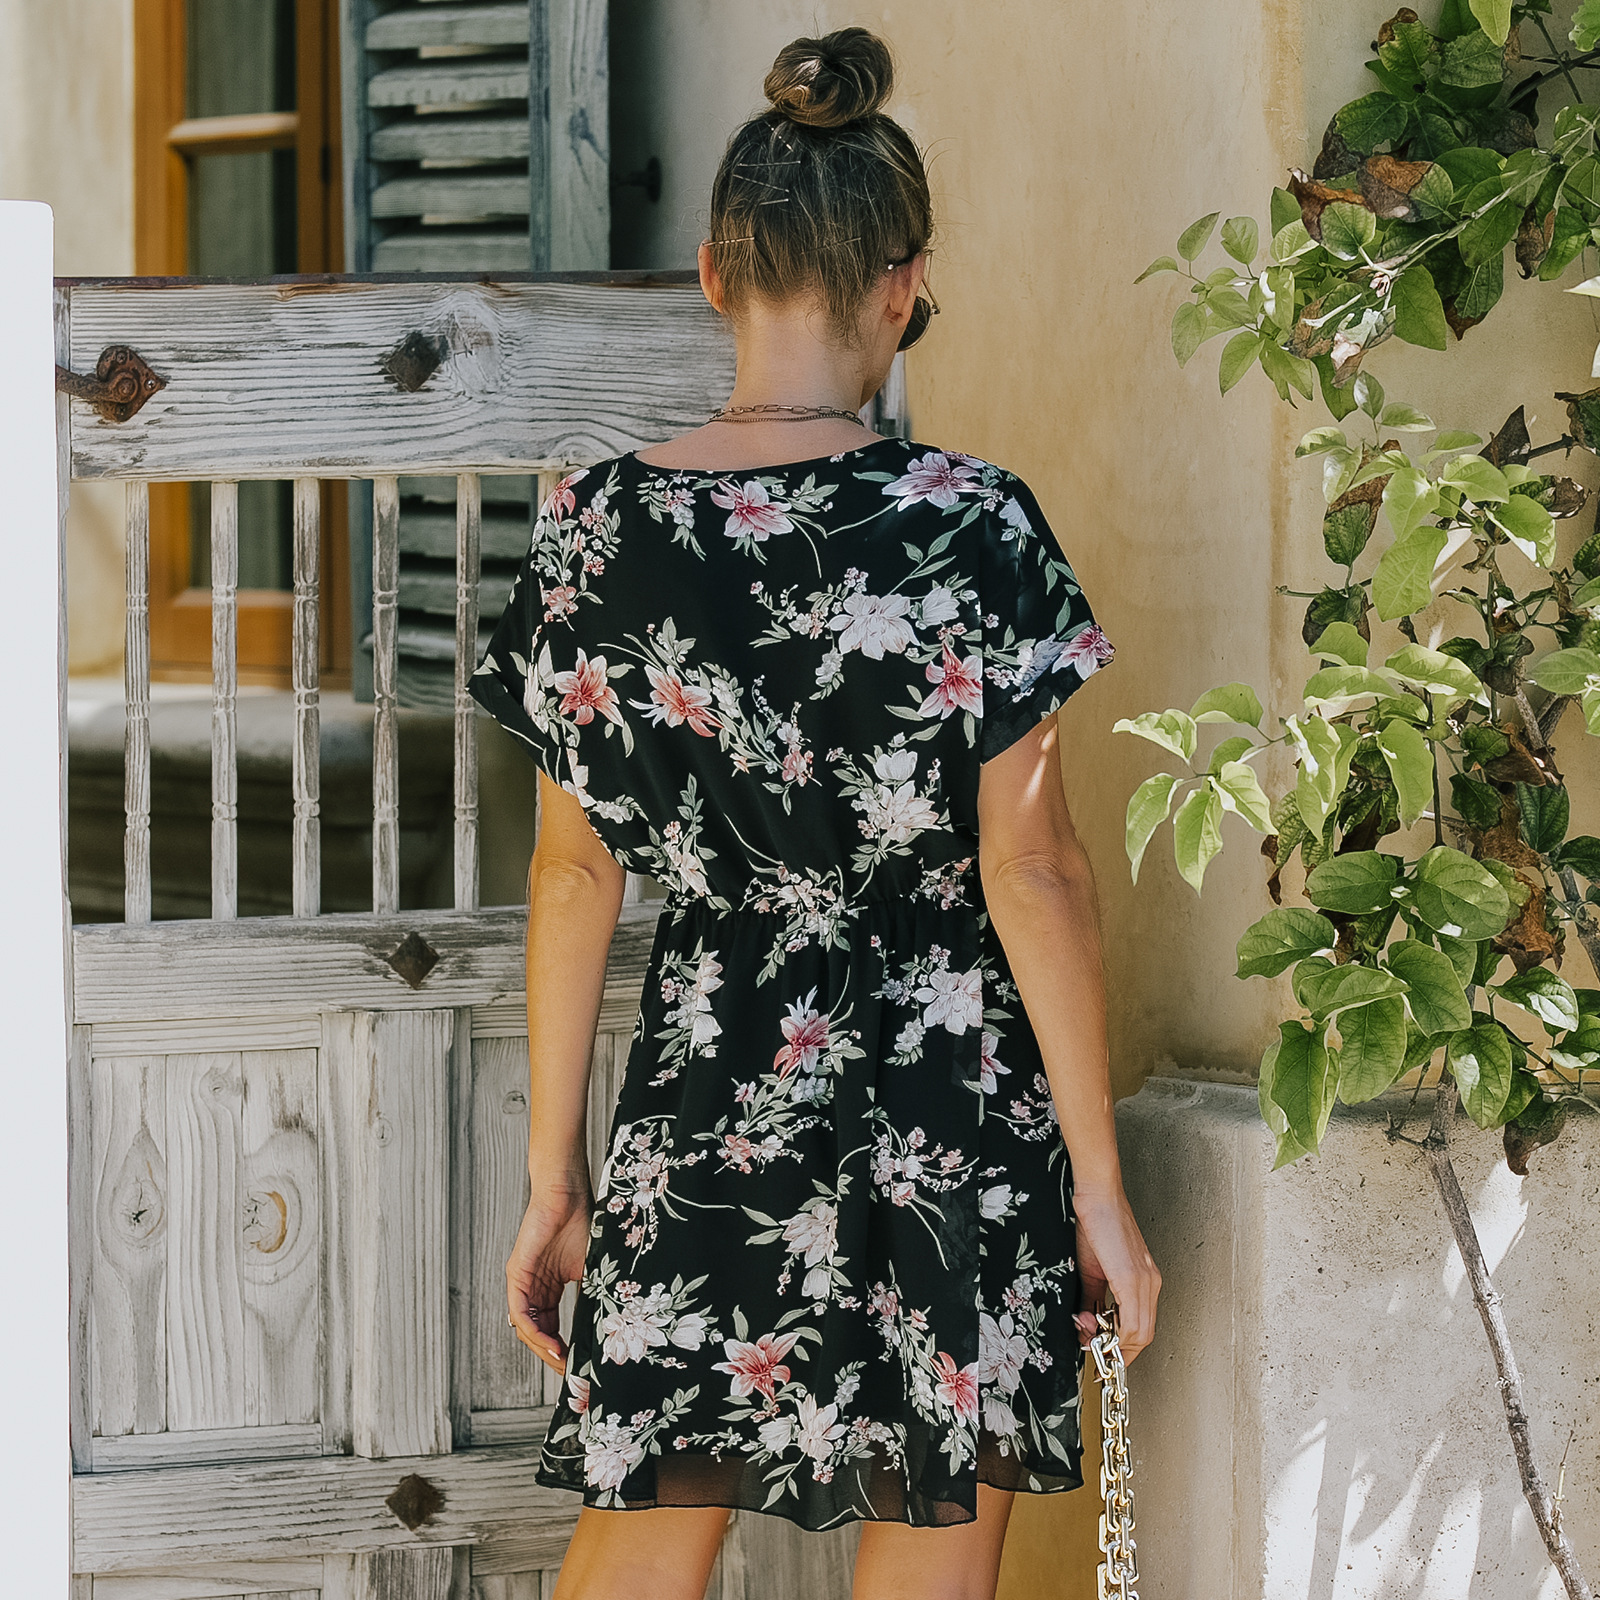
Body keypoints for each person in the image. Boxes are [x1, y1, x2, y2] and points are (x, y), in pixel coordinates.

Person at [468, 27, 1161, 1600]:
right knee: (936, 1539)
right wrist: (1100, 1190)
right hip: (952, 1092)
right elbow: (1035, 873)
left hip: (710, 1079)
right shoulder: (971, 523)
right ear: (903, 285)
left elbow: (572, 879)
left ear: (716, 273)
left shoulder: (595, 531)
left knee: (644, 1536)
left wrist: (557, 1178)